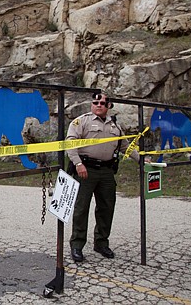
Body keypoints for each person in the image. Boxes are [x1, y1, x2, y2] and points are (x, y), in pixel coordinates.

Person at [66, 93, 145, 262]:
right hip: (86, 170)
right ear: (92, 104)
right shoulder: (82, 122)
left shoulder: (115, 125)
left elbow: (125, 146)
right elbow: (70, 144)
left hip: (107, 171)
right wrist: (78, 164)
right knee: (81, 209)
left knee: (106, 208)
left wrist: (142, 160)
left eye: (102, 103)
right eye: (96, 102)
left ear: (109, 106)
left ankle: (101, 243)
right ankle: (77, 245)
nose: (99, 105)